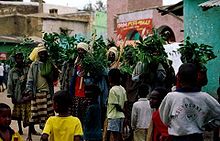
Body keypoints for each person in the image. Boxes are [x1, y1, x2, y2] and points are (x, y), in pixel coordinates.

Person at [159, 63, 220, 141]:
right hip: (196, 137)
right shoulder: (205, 97)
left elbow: (164, 117)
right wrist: (210, 126)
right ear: (196, 78)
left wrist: (173, 125)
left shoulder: (171, 97)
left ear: (178, 78)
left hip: (177, 137)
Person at [26, 45, 56, 140]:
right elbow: (30, 79)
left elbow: (53, 79)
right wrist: (30, 91)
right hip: (37, 94)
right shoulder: (34, 65)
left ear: (46, 54)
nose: (42, 55)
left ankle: (45, 137)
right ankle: (29, 136)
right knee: (33, 116)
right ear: (38, 54)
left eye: (44, 53)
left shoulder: (49, 64)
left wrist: (54, 70)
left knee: (48, 115)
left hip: (47, 93)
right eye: (41, 53)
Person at [7, 52, 36, 135]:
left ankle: (31, 131)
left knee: (30, 114)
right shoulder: (12, 71)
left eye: (21, 58)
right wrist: (11, 96)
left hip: (27, 95)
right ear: (15, 59)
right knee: (18, 114)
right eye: (18, 58)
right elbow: (10, 84)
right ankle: (20, 129)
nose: (19, 59)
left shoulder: (28, 68)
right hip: (18, 95)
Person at [106, 68, 127, 141]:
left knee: (113, 136)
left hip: (113, 116)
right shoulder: (122, 89)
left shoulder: (112, 90)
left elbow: (116, 105)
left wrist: (122, 111)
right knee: (119, 136)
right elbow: (125, 102)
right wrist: (125, 113)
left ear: (111, 78)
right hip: (121, 116)